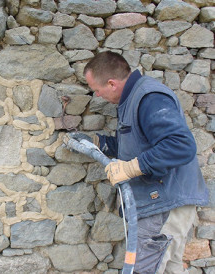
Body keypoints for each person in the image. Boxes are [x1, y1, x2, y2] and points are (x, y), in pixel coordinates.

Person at [64, 51, 209, 273]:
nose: (98, 96)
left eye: (97, 90)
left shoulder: (149, 98)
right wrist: (97, 142)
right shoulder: (133, 99)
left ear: (111, 83)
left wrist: (131, 168)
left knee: (144, 269)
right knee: (169, 268)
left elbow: (180, 145)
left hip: (163, 203)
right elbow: (139, 143)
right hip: (164, 202)